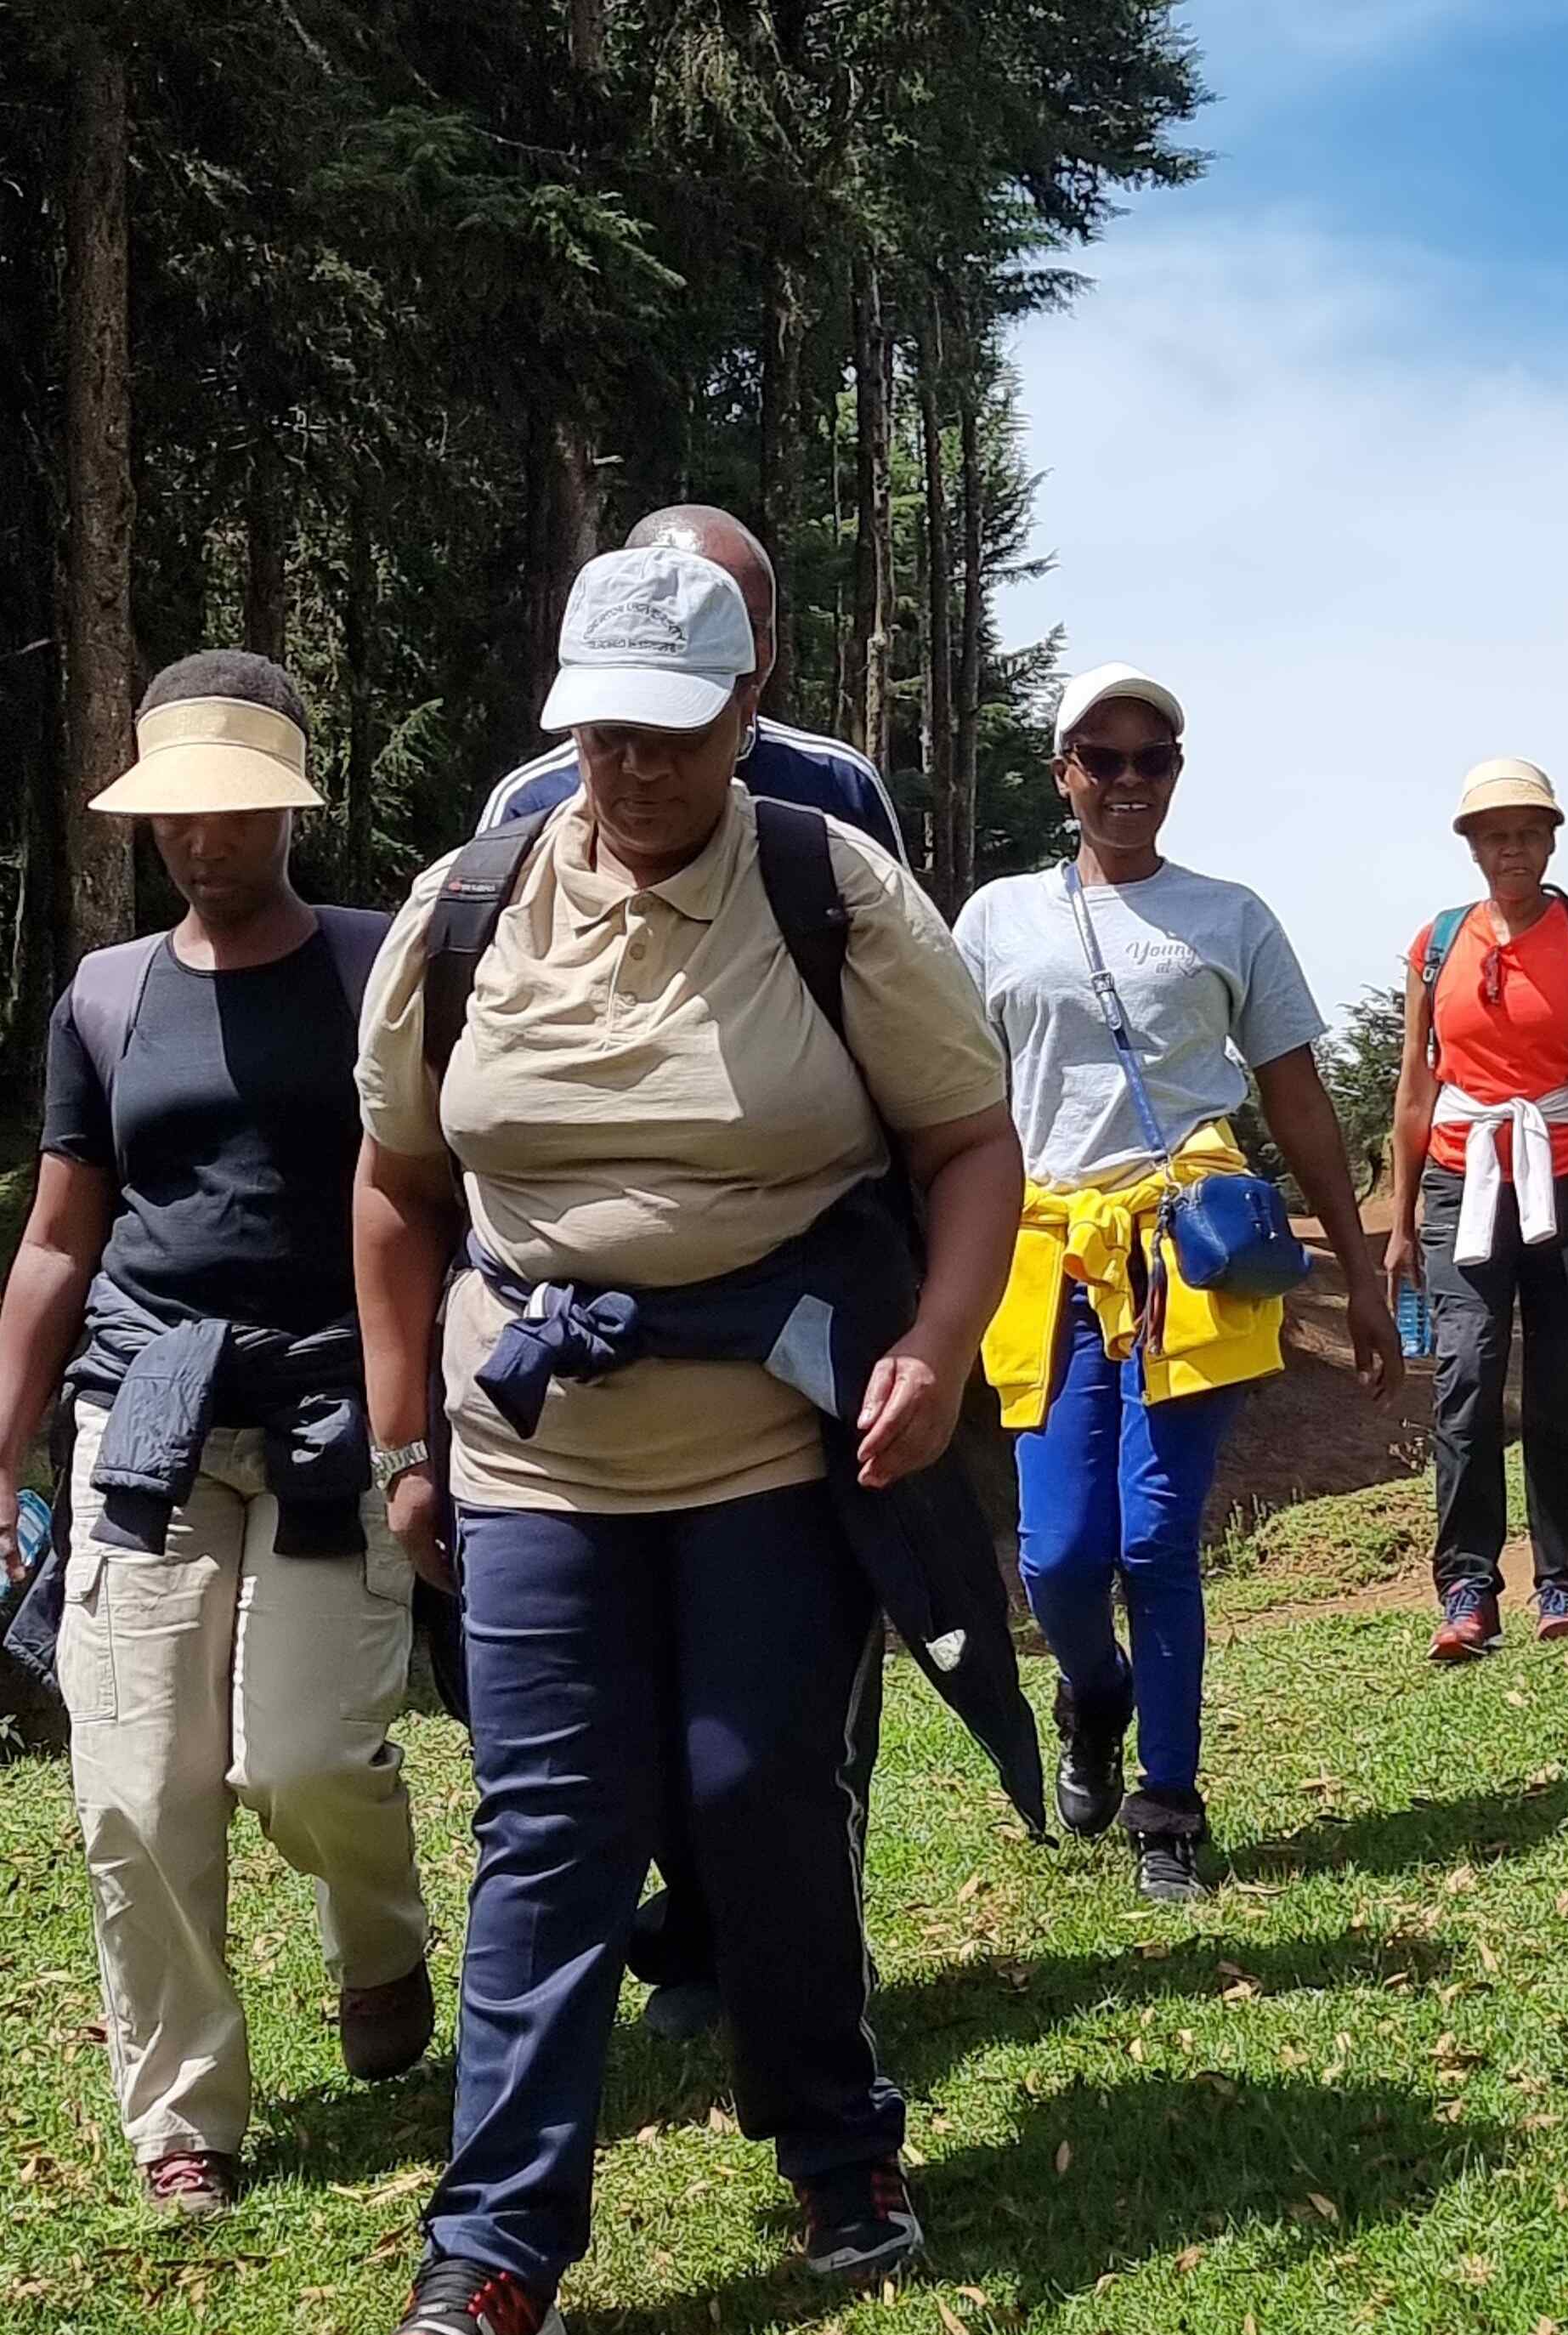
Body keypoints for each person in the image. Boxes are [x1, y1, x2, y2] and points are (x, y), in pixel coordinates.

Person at [355, 546, 1022, 2335]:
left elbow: (970, 1147)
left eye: (667, 732)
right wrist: (408, 1428)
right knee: (551, 1835)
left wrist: (935, 1348)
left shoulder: (829, 890)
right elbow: (400, 1186)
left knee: (756, 1794)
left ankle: (837, 2148)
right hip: (532, 1446)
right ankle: (492, 2257)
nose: (629, 769)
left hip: (767, 1439)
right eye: (599, 732)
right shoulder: (471, 907)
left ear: (742, 716)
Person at [0, 653, 433, 2222]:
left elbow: (449, 1188)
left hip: (336, 1404)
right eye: (176, 809)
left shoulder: (380, 968)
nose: (202, 836)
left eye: (233, 805)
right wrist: (4, 1451)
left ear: (289, 803)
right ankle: (186, 2117)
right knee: (134, 1785)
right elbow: (59, 1242)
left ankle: (379, 1941)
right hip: (148, 1415)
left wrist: (430, 1418)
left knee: (304, 1760)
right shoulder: (109, 997)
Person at [482, 502, 903, 2043]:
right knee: (607, 1720)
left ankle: (801, 1962)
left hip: (798, 1311)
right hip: (576, 1350)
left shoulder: (835, 801)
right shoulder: (532, 797)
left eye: (716, 618)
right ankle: (709, 1925)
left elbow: (897, 1040)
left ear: (758, 660)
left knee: (802, 1702)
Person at [958, 665, 1402, 1905]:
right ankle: (1092, 1697)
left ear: (1178, 774)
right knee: (1056, 1555)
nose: (1128, 782)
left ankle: (1170, 1807)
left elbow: (1298, 1101)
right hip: (1047, 1261)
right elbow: (950, 1102)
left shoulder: (1232, 917)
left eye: (1153, 760)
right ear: (1064, 776)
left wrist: (1362, 1275)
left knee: (1155, 1536)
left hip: (1189, 1259)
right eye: (1102, 759)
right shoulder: (994, 921)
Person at [1385, 758, 1568, 1661]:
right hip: (1463, 1180)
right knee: (1465, 1372)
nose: (1510, 844)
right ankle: (1467, 1586)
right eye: (1492, 830)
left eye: (1527, 829)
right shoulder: (1436, 943)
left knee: (1561, 1384)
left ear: (1551, 838)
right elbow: (1416, 1088)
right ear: (1469, 845)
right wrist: (1397, 1213)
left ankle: (1564, 1578)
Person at [478, 503, 905, 858]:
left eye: (753, 627)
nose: (643, 768)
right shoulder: (530, 804)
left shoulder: (837, 782)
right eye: (707, 626)